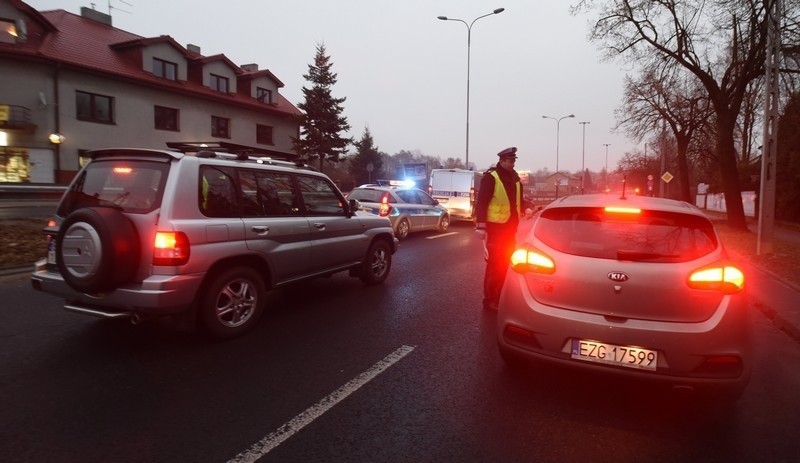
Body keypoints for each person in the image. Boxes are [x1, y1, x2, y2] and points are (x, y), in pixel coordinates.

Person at [474, 147, 534, 312]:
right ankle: (490, 299)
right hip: (496, 228)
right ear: (501, 161)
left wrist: (526, 208)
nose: (512, 163)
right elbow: (482, 202)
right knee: (495, 265)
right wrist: (481, 225)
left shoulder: (514, 178)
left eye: (514, 160)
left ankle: (500, 295)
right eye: (510, 161)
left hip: (510, 228)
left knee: (505, 264)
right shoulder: (491, 177)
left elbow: (518, 200)